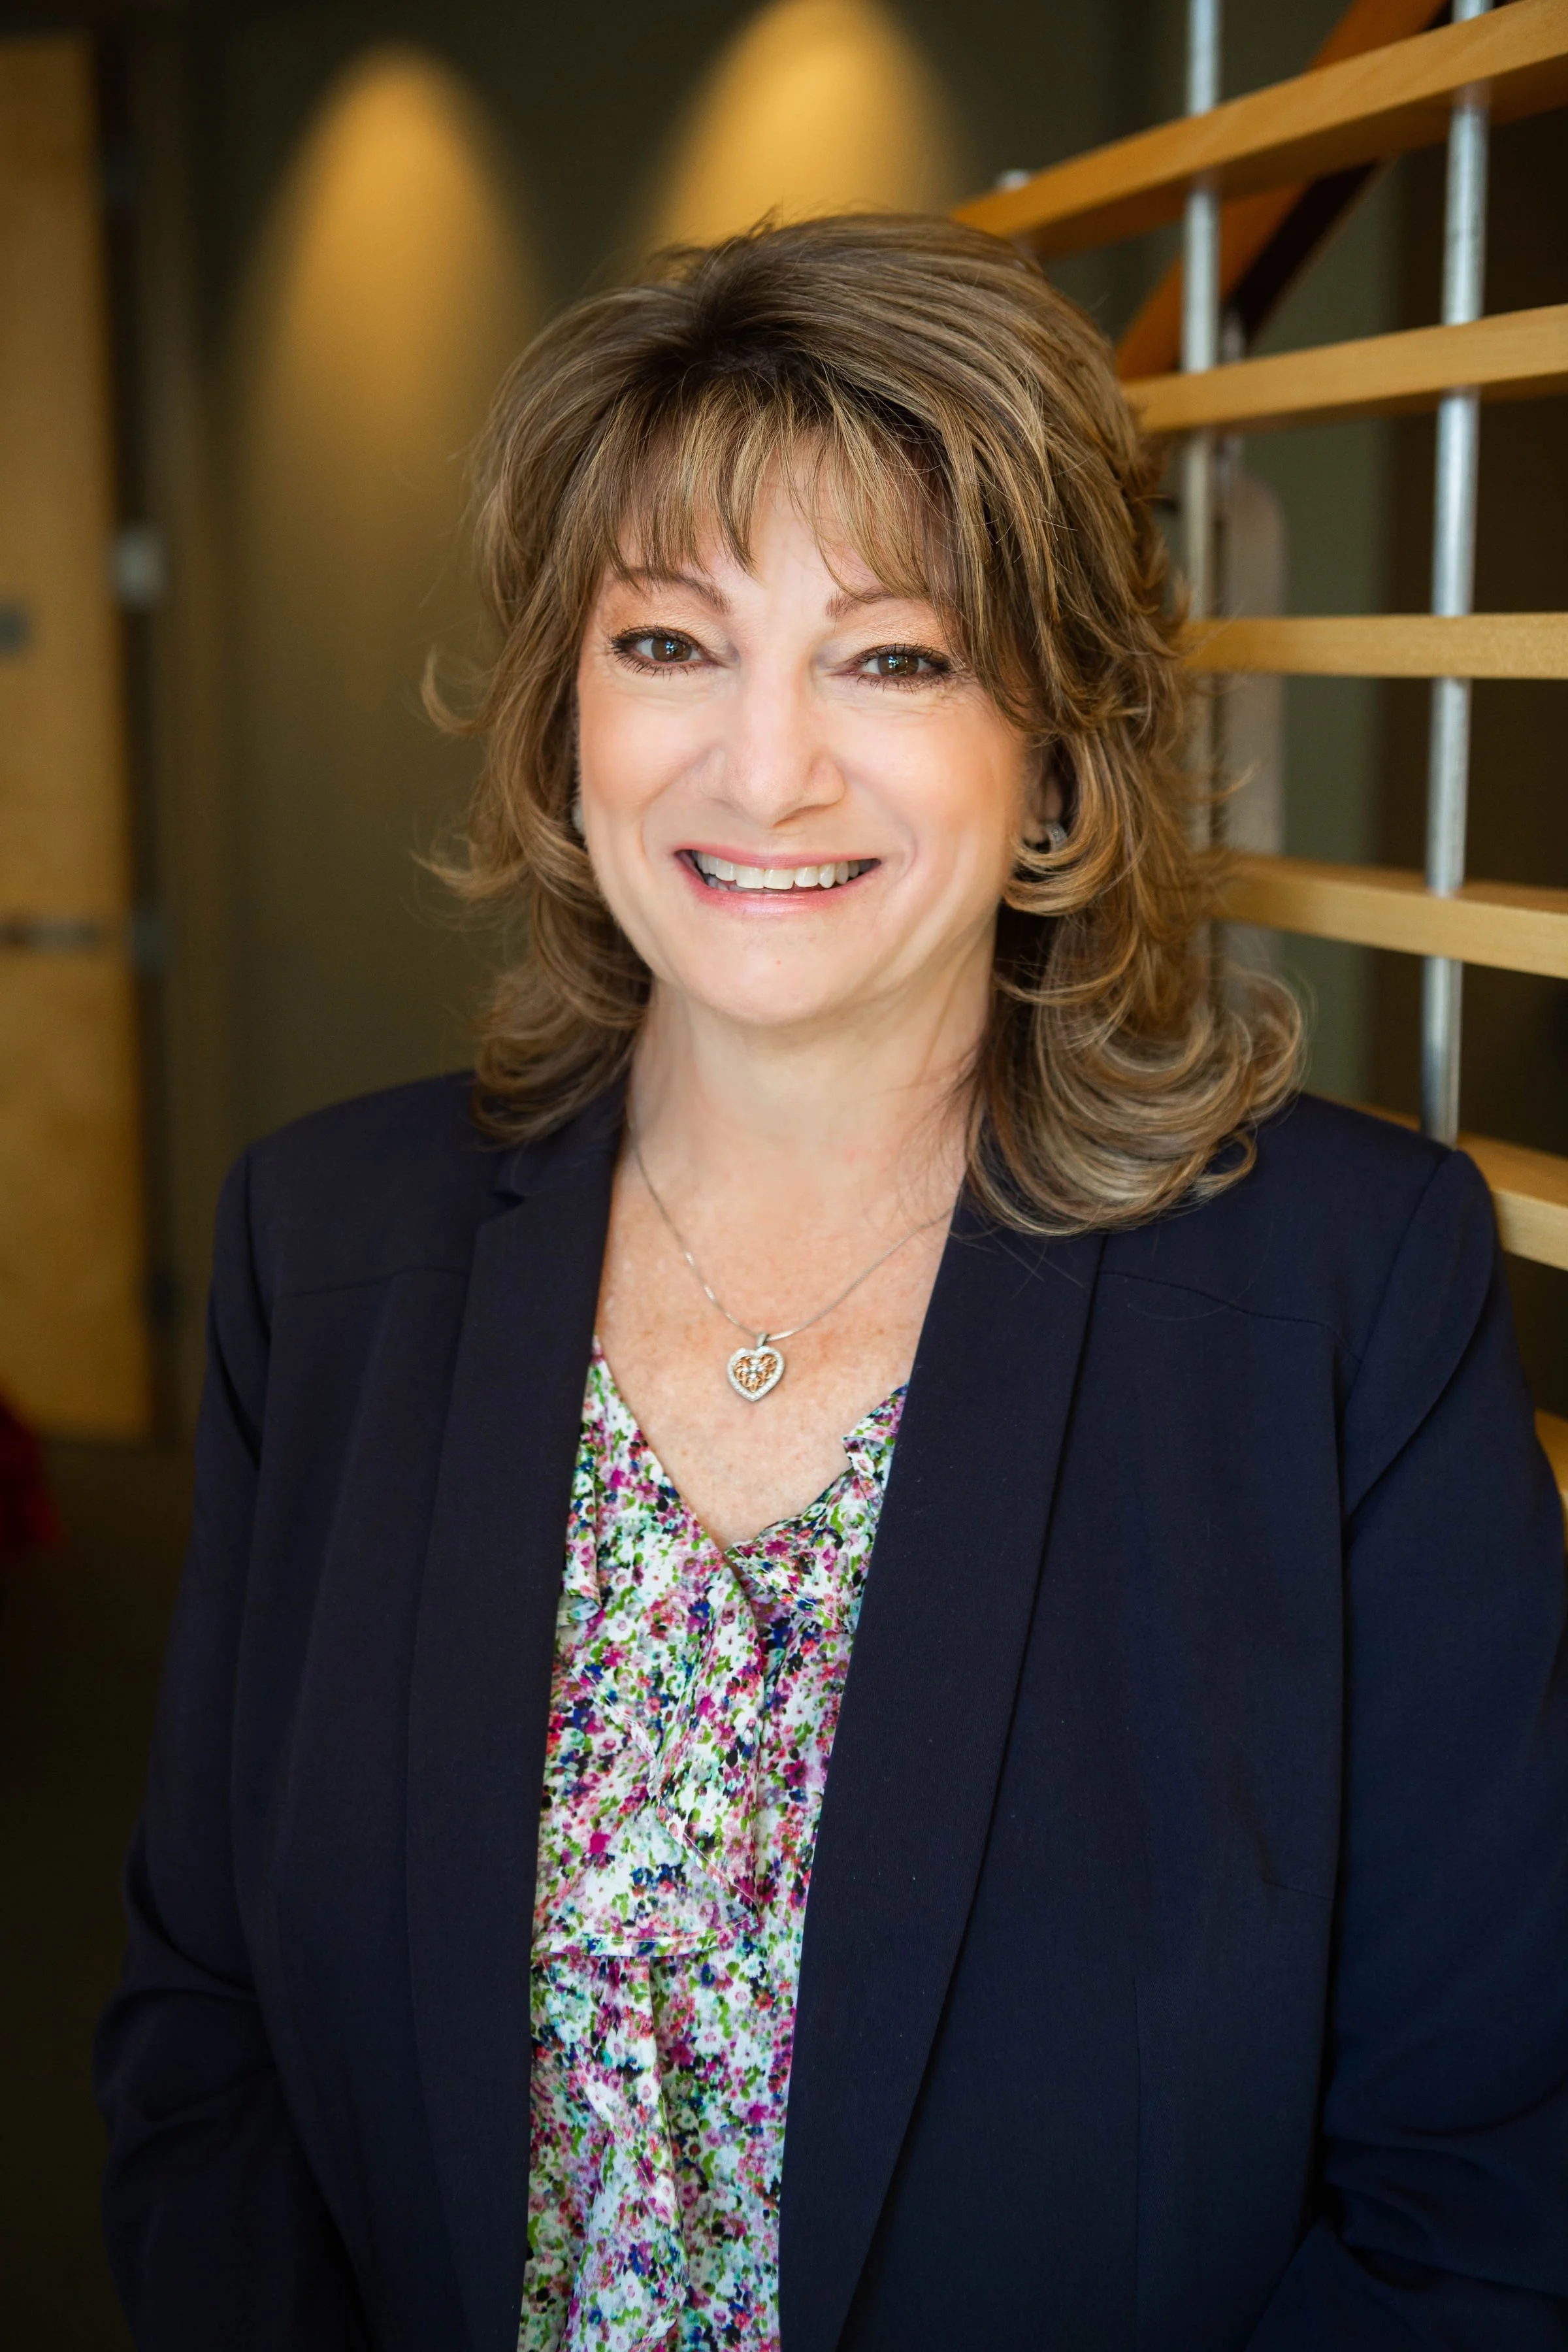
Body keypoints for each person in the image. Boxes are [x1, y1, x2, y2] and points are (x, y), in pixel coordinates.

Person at [95, 214, 1568, 2351]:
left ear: (1058, 747)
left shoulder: (1350, 1307)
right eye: (671, 645)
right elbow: (206, 2037)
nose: (761, 769)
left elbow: (1480, 2195)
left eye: (894, 657)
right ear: (559, 711)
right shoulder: (322, 1255)